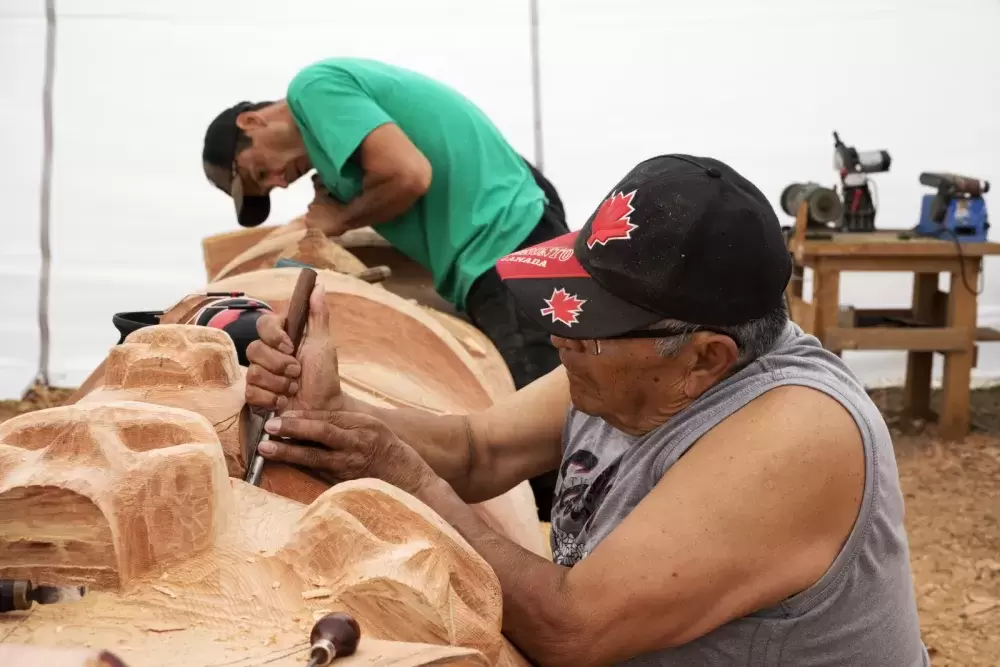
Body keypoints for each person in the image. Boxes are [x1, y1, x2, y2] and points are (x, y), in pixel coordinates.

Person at [242, 154, 931, 666]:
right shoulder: (622, 370)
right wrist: (332, 410)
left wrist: (407, 478)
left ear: (704, 358)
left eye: (588, 323)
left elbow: (573, 628)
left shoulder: (800, 431)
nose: (559, 335)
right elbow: (480, 451)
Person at [200, 57, 567, 517]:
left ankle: (581, 560)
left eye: (260, 172)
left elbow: (410, 173)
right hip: (491, 250)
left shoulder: (313, 88)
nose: (278, 180)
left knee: (544, 438)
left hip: (505, 241)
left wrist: (339, 217)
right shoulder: (338, 161)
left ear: (252, 121)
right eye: (268, 187)